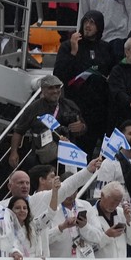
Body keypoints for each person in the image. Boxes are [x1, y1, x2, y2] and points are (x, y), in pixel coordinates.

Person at [53, 11, 115, 153]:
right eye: (86, 21)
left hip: (101, 108)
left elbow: (113, 71)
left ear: (99, 26)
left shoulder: (106, 48)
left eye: (92, 22)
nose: (88, 25)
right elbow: (59, 75)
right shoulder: (68, 46)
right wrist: (74, 52)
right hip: (77, 108)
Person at [7, 75, 85, 171]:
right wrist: (14, 152)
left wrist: (81, 127)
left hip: (66, 156)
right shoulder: (34, 108)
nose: (55, 91)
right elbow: (19, 131)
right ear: (43, 90)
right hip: (42, 156)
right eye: (51, 88)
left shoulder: (69, 105)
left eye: (57, 87)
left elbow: (83, 128)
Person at [47, 190, 101, 260]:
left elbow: (98, 237)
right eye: (67, 191)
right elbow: (42, 240)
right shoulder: (50, 209)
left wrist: (84, 226)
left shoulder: (86, 206)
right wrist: (61, 228)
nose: (70, 195)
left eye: (73, 191)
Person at [90, 181, 131, 260]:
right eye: (112, 201)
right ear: (102, 195)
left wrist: (129, 221)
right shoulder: (90, 214)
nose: (115, 205)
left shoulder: (122, 213)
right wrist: (106, 236)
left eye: (118, 202)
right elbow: (89, 248)